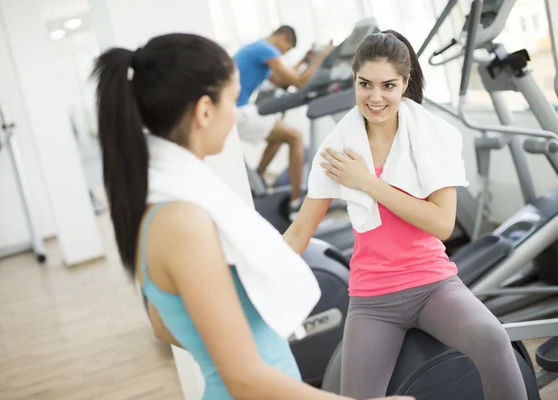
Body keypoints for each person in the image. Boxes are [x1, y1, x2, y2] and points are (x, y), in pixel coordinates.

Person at [91, 32, 412, 400]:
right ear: (205, 111)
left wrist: (238, 341)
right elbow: (244, 379)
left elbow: (164, 324)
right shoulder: (182, 221)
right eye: (233, 99)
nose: (236, 114)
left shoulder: (168, 202)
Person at [283, 30, 529, 400]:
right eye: (365, 84)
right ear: (354, 81)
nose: (376, 97)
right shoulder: (337, 148)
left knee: (493, 339)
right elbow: (301, 230)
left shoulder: (431, 136)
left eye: (388, 85)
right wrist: (246, 285)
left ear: (405, 82)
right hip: (373, 299)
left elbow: (442, 224)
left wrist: (367, 182)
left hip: (433, 286)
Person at [233, 25, 334, 220]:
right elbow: (298, 82)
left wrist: (305, 61)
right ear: (282, 38)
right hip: (238, 112)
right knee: (295, 137)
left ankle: (259, 177)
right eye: (286, 50)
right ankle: (296, 204)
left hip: (237, 110)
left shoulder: (256, 48)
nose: (283, 54)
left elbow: (281, 81)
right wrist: (320, 58)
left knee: (279, 136)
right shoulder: (266, 49)